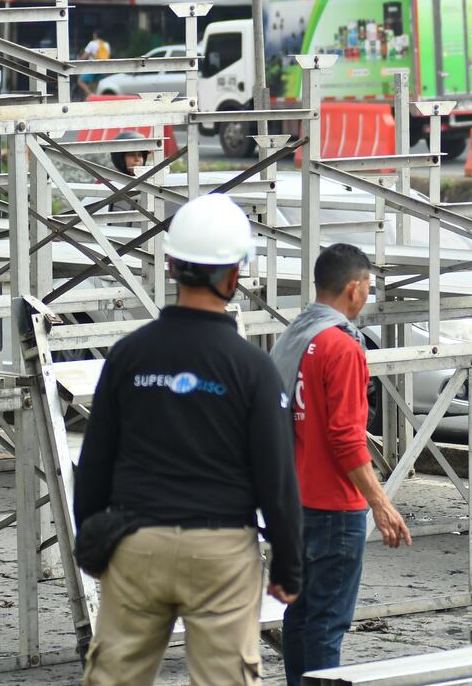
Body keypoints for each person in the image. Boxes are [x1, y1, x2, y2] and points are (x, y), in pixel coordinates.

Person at [74, 193, 302, 685]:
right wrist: (288, 564)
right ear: (235, 275)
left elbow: (94, 463)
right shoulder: (253, 370)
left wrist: (92, 540)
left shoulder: (128, 356)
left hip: (136, 546)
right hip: (221, 552)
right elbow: (277, 479)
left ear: (173, 265)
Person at [270, 244, 412, 683]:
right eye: (368, 286)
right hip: (334, 507)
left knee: (301, 617)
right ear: (354, 288)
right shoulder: (342, 346)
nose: (367, 295)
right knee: (327, 624)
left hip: (295, 500)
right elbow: (346, 437)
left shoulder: (294, 335)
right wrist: (380, 502)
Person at [78, 29, 111, 97]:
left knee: (80, 81)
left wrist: (78, 59)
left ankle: (91, 95)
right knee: (95, 85)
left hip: (93, 68)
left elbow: (84, 56)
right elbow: (108, 56)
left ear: (95, 35)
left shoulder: (92, 43)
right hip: (103, 68)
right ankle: (95, 97)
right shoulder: (106, 44)